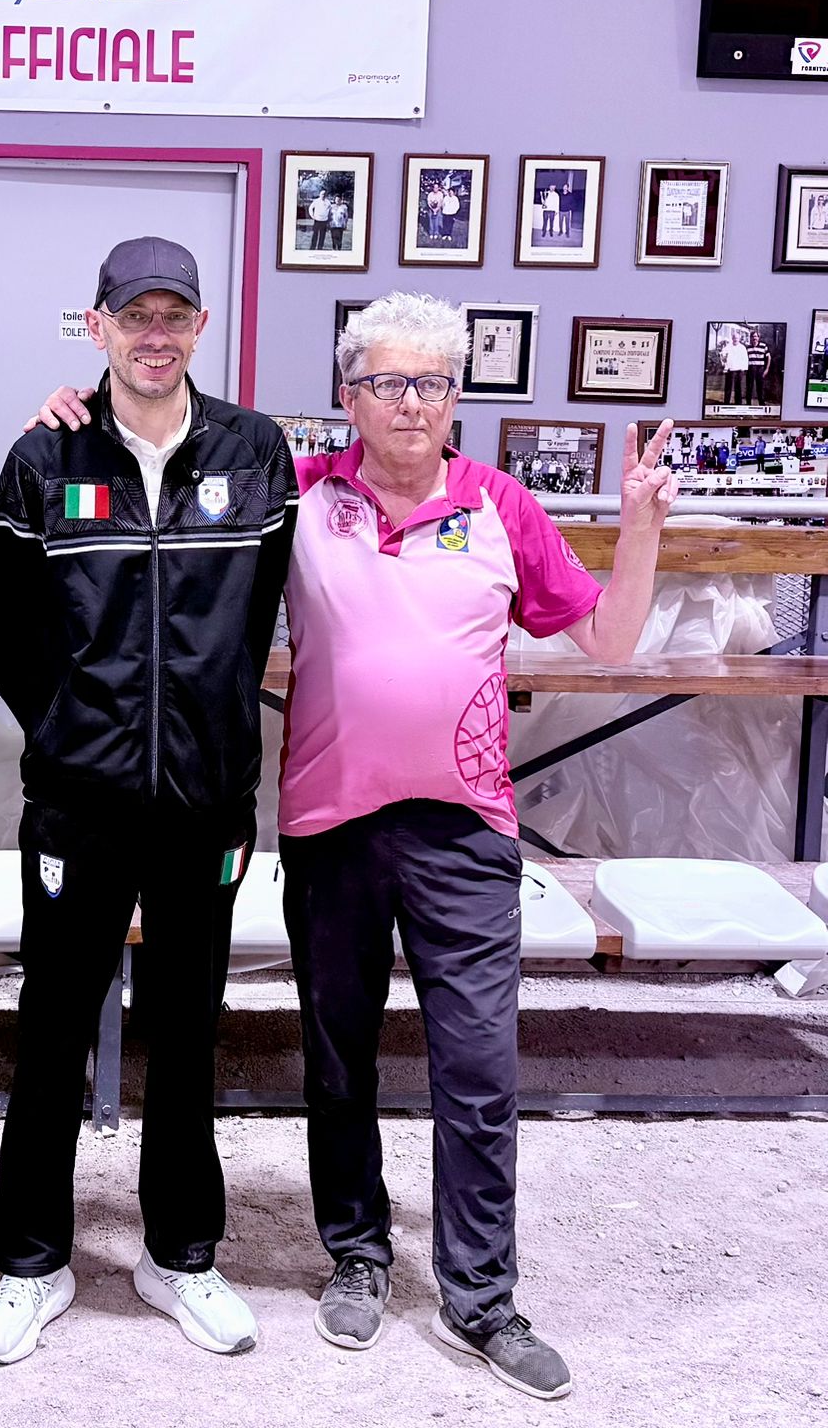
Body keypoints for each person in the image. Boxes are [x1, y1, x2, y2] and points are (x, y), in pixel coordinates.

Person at [281, 291, 676, 1402]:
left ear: (456, 395)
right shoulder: (299, 495)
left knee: (478, 1067)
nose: (410, 403)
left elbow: (606, 638)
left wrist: (640, 525)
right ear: (348, 396)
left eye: (432, 382)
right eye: (387, 382)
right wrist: (75, 417)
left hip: (464, 832)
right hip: (330, 824)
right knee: (336, 1054)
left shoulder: (499, 503)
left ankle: (482, 1296)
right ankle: (357, 1251)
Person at [0, 236, 297, 1365]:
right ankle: (31, 1261)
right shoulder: (42, 456)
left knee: (190, 1028)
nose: (155, 335)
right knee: (51, 1027)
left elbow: (259, 614)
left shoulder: (254, 449)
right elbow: (15, 636)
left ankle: (181, 1254)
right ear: (96, 325)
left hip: (206, 803)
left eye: (174, 315)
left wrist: (215, 732)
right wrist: (76, 735)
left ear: (200, 326)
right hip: (79, 801)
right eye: (133, 315)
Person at [746, 329, 772, 410]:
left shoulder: (763, 346)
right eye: (753, 336)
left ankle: (762, 404)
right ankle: (748, 404)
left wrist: (767, 369)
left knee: (760, 387)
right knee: (749, 387)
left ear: (758, 337)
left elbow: (769, 358)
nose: (754, 338)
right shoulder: (747, 347)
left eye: (756, 336)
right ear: (751, 338)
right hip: (750, 368)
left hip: (760, 368)